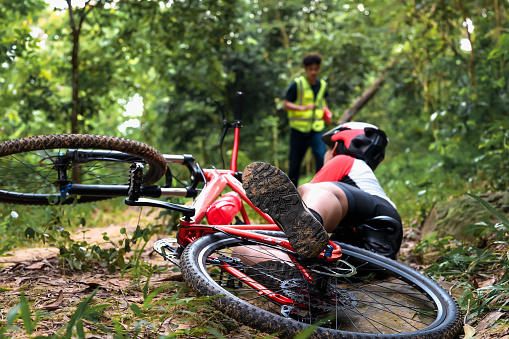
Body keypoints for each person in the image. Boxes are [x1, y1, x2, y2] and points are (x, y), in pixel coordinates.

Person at [242, 122, 403, 260]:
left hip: (379, 222)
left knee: (309, 191)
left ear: (336, 148)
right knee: (242, 251)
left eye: (328, 148)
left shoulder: (344, 160)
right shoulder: (362, 174)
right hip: (374, 252)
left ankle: (309, 222)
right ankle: (295, 275)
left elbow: (299, 203)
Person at [283, 53, 329, 187]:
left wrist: (327, 112)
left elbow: (323, 101)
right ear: (305, 69)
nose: (313, 72)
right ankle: (291, 196)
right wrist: (302, 108)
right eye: (310, 69)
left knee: (322, 158)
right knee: (295, 164)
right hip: (298, 131)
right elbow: (285, 104)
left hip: (317, 129)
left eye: (316, 69)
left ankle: (321, 189)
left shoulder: (323, 85)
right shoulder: (297, 85)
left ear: (319, 69)